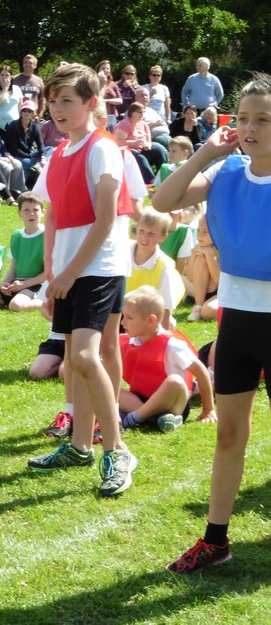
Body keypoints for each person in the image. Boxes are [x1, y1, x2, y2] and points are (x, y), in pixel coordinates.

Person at [155, 72, 271, 574]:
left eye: (263, 119)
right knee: (228, 434)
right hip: (238, 320)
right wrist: (206, 153)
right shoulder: (225, 174)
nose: (250, 128)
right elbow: (163, 201)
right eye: (242, 118)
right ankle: (216, 539)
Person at [28, 63, 138, 497]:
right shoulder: (58, 152)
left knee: (88, 358)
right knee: (75, 358)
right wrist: (54, 270)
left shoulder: (102, 147)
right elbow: (53, 213)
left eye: (66, 101)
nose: (56, 109)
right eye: (52, 101)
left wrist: (72, 270)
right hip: (72, 270)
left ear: (92, 104)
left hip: (99, 267)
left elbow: (107, 216)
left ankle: (116, 449)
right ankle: (79, 445)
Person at [118, 286, 215, 433]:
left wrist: (208, 410)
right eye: (123, 316)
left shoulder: (172, 345)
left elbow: (201, 372)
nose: (123, 322)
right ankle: (156, 419)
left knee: (174, 381)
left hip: (173, 404)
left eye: (129, 318)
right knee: (106, 385)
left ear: (151, 320)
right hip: (141, 400)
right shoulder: (129, 341)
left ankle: (134, 419)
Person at [126, 208, 185, 330]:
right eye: (141, 231)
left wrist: (162, 340)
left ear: (163, 237)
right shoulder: (122, 251)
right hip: (118, 313)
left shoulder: (164, 266)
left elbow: (165, 307)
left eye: (151, 234)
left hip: (145, 319)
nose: (144, 237)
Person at [0, 191, 46, 312]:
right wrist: (5, 283)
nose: (31, 213)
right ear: (19, 213)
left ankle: (41, 303)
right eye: (26, 210)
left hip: (38, 284)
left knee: (15, 305)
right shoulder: (17, 236)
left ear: (42, 212)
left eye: (35, 210)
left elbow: (48, 273)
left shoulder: (47, 235)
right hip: (18, 283)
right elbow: (13, 269)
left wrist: (25, 284)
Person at [114, 102, 164, 184]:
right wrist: (133, 143)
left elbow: (148, 138)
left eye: (143, 112)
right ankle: (152, 181)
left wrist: (148, 145)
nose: (142, 114)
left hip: (142, 148)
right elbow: (117, 141)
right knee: (141, 158)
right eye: (140, 112)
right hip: (128, 150)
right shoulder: (124, 125)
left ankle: (163, 175)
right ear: (132, 113)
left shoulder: (143, 124)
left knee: (159, 149)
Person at [182, 214, 220, 322]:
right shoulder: (198, 248)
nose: (200, 236)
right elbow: (189, 277)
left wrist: (209, 255)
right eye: (198, 231)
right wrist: (193, 258)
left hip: (217, 291)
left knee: (207, 312)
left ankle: (202, 305)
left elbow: (218, 279)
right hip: (199, 289)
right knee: (199, 260)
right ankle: (198, 306)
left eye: (205, 232)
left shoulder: (220, 250)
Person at [4, 99, 45, 187]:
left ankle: (38, 165)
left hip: (28, 155)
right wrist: (31, 157)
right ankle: (37, 168)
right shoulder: (13, 125)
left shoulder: (34, 126)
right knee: (31, 164)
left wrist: (43, 157)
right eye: (24, 110)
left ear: (33, 113)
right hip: (15, 156)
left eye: (29, 111)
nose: (26, 113)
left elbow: (40, 143)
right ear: (21, 112)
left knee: (50, 149)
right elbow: (13, 149)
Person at [0, 64, 24, 129]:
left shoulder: (17, 89)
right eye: (2, 75)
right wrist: (5, 88)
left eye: (7, 75)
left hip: (14, 125)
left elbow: (20, 108)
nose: (4, 77)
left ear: (11, 77)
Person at [96, 60, 122, 131]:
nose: (105, 70)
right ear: (98, 70)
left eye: (107, 68)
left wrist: (107, 100)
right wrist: (102, 84)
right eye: (103, 68)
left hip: (112, 115)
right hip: (98, 115)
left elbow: (120, 100)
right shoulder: (94, 84)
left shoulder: (113, 84)